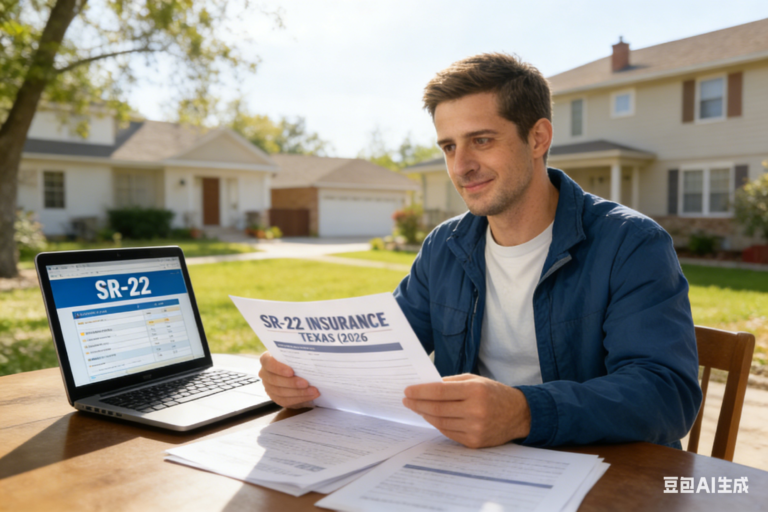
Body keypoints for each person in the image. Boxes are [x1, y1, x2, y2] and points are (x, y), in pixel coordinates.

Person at [259, 53, 702, 450]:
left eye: (482, 140)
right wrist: (303, 377)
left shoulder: (631, 244)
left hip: (597, 472)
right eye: (449, 146)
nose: (460, 166)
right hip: (470, 469)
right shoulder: (445, 247)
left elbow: (665, 394)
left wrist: (524, 412)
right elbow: (382, 351)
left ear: (538, 138)